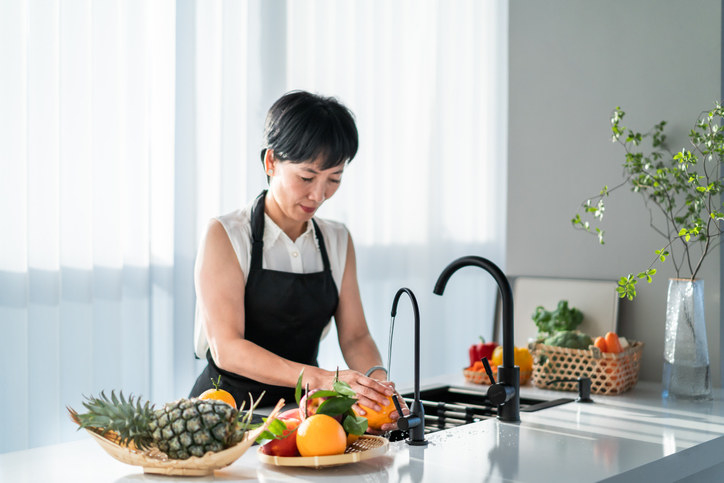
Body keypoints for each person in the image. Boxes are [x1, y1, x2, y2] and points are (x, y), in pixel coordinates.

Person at [190, 90, 404, 432]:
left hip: (301, 420)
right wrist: (322, 378)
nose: (318, 195)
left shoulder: (337, 239)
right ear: (271, 162)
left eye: (334, 179)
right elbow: (228, 348)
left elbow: (356, 337)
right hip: (223, 415)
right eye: (307, 177)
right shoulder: (226, 235)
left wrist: (376, 385)